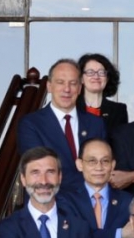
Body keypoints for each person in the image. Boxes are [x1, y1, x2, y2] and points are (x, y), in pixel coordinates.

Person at [17, 58, 106, 191]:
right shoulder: (31, 124)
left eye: (73, 83)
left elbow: (104, 166)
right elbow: (41, 171)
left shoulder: (96, 124)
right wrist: (93, 182)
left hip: (92, 207)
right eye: (60, 82)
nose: (67, 89)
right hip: (50, 204)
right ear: (49, 86)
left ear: (80, 88)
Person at [77, 52, 129, 130]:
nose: (96, 76)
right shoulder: (71, 107)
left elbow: (121, 141)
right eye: (90, 72)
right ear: (81, 78)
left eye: (101, 72)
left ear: (107, 78)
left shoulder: (118, 110)